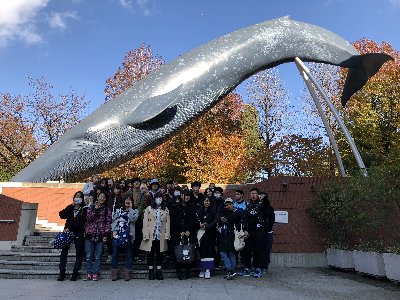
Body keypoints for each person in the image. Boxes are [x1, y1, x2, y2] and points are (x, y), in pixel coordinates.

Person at [239, 188, 272, 278]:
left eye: (255, 193)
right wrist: (245, 229)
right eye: (251, 193)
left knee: (259, 251)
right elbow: (244, 217)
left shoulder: (263, 204)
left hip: (260, 231)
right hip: (250, 231)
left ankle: (258, 269)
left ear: (258, 195)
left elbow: (269, 211)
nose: (253, 195)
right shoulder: (249, 205)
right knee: (247, 251)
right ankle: (247, 269)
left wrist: (263, 199)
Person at [140, 192, 170, 280]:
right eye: (157, 198)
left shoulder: (166, 209)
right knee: (150, 253)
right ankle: (151, 271)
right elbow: (145, 223)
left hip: (161, 235)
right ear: (154, 199)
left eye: (160, 198)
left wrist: (167, 235)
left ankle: (159, 271)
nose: (159, 199)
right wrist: (145, 234)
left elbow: (168, 223)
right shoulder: (149, 209)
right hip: (150, 235)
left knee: (160, 253)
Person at [57, 191, 87, 281]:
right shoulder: (71, 207)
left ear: (82, 199)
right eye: (76, 196)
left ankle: (75, 273)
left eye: (79, 197)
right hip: (67, 233)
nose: (77, 198)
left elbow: (80, 222)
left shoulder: (84, 209)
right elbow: (61, 215)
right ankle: (62, 272)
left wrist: (69, 228)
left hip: (78, 233)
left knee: (79, 253)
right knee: (64, 252)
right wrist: (71, 206)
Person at [169, 190, 199, 280]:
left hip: (190, 233)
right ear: (181, 196)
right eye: (185, 195)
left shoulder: (192, 207)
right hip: (178, 233)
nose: (187, 197)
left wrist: (189, 230)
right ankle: (179, 271)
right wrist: (180, 231)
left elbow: (194, 220)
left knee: (189, 251)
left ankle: (187, 272)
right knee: (178, 251)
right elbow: (174, 220)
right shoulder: (176, 206)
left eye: (189, 196)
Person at [84, 192, 112, 281]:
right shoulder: (91, 207)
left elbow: (108, 222)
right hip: (90, 234)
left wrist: (106, 234)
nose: (102, 199)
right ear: (98, 197)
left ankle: (95, 273)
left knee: (98, 256)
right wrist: (95, 210)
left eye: (104, 197)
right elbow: (88, 219)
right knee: (88, 255)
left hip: (100, 235)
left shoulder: (107, 209)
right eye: (101, 197)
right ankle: (88, 273)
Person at [111, 197, 138, 281]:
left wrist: (130, 209)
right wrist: (114, 231)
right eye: (126, 200)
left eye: (130, 200)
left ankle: (127, 273)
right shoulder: (118, 211)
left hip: (128, 236)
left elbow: (134, 219)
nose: (128, 201)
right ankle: (114, 272)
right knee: (115, 254)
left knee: (129, 255)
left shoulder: (134, 211)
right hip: (117, 235)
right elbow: (114, 221)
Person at [218, 198, 242, 280]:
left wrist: (225, 217)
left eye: (230, 204)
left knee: (231, 253)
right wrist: (222, 219)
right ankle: (231, 271)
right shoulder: (224, 212)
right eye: (226, 204)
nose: (228, 206)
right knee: (223, 252)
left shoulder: (237, 212)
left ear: (233, 204)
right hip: (224, 234)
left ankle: (230, 271)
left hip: (232, 235)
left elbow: (231, 219)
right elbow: (220, 221)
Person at [197, 197, 217, 279]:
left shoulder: (213, 211)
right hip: (201, 233)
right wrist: (199, 225)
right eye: (205, 201)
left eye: (208, 201)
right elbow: (196, 220)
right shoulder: (199, 211)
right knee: (201, 251)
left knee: (209, 251)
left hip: (210, 233)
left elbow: (215, 221)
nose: (206, 202)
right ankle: (202, 269)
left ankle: (208, 270)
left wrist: (207, 226)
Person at [259, 191, 275, 272]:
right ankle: (259, 265)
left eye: (262, 195)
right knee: (259, 249)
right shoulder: (257, 206)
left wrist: (268, 228)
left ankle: (265, 265)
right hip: (259, 231)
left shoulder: (269, 208)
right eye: (260, 195)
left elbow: (272, 219)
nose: (260, 196)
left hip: (267, 231)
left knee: (266, 249)